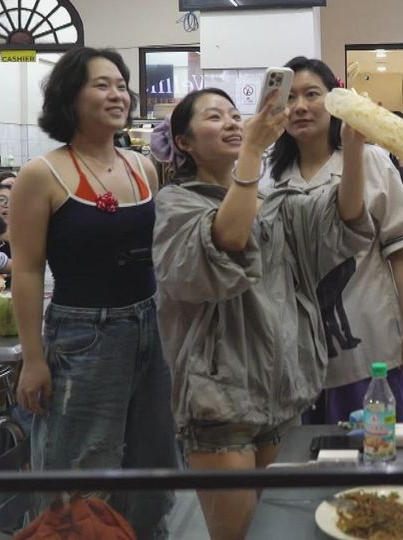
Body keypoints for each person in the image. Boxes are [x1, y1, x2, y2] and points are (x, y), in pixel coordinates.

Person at [152, 86, 373, 540]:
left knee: (279, 529)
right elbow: (226, 241)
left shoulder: (275, 204)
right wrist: (253, 149)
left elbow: (343, 219)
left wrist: (352, 146)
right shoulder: (175, 205)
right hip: (219, 400)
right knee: (237, 533)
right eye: (215, 117)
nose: (232, 123)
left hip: (282, 393)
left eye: (236, 114)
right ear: (184, 143)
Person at [10, 47, 177, 539]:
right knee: (80, 479)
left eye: (122, 85)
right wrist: (34, 359)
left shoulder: (140, 166)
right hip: (83, 336)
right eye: (102, 84)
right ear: (70, 97)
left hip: (150, 329)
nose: (117, 94)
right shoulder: (43, 174)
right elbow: (26, 271)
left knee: (153, 470)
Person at [269, 57, 403, 426]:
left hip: (368, 348)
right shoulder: (269, 175)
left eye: (312, 94)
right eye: (290, 97)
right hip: (293, 355)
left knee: (377, 463)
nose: (299, 106)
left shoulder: (370, 160)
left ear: (334, 102)